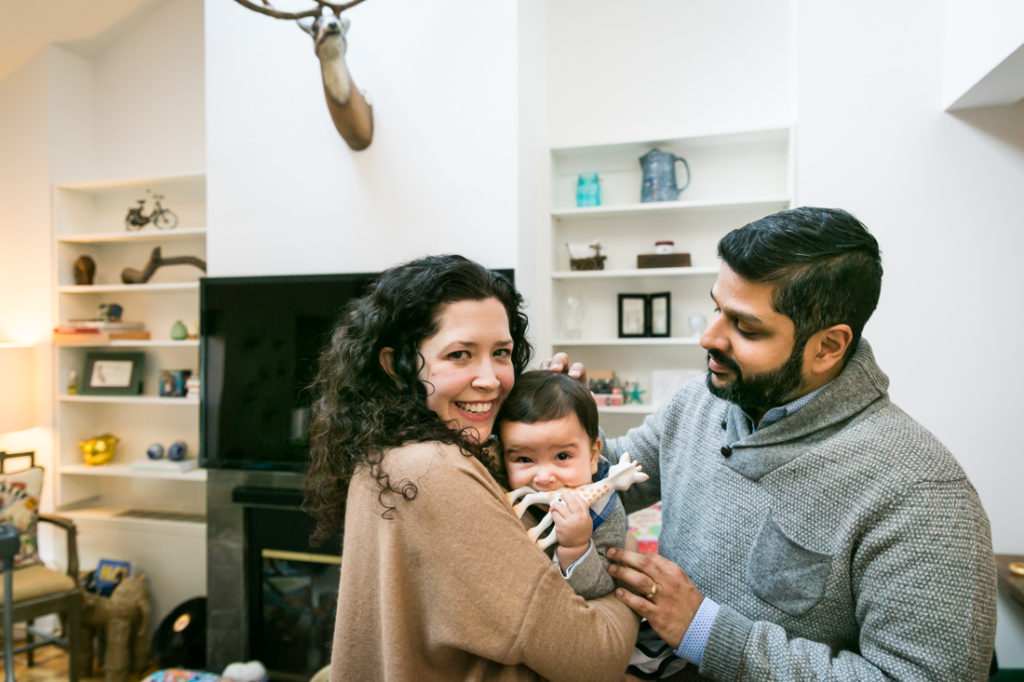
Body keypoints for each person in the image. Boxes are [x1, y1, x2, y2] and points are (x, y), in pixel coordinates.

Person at [546, 207, 997, 680]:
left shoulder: (923, 492)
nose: (708, 336)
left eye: (745, 327)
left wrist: (707, 631)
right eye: (718, 308)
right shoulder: (701, 402)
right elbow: (614, 478)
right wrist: (557, 437)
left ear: (827, 346)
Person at [305, 254, 638, 681]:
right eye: (460, 354)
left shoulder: (391, 452)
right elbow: (596, 657)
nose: (491, 379)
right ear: (395, 366)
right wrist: (627, 582)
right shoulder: (435, 470)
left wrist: (557, 428)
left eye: (501, 353)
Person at [498, 370, 627, 600]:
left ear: (592, 455)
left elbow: (604, 586)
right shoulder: (498, 490)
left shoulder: (605, 511)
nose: (545, 477)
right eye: (525, 459)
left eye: (562, 456)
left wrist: (576, 547)